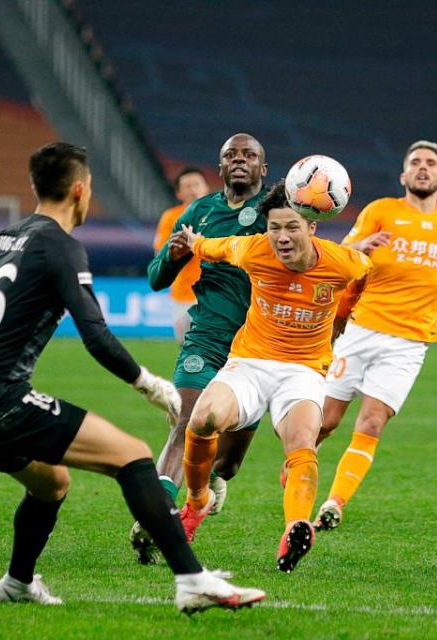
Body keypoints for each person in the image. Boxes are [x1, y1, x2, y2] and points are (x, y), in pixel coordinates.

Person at [0, 141, 264, 614]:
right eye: (90, 186)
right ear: (78, 190)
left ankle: (16, 582)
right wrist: (151, 386)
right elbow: (95, 336)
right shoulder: (62, 247)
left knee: (51, 484)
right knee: (133, 456)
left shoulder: (3, 240)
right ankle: (192, 580)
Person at [175, 180, 375, 573]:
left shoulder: (343, 263)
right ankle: (197, 500)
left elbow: (362, 277)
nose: (281, 238)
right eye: (274, 227)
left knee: (302, 441)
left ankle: (296, 528)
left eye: (291, 227)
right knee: (202, 420)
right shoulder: (253, 250)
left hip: (303, 371)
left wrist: (340, 317)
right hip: (250, 362)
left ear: (312, 227)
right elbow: (214, 247)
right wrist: (195, 241)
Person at [312, 140, 437, 532]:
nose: (422, 168)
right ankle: (302, 458)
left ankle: (334, 502)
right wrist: (362, 245)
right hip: (362, 328)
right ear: (403, 176)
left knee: (372, 422)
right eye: (415, 163)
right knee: (326, 420)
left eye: (430, 163)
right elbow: (344, 253)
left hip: (410, 341)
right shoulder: (381, 210)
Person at [130, 133, 269, 564]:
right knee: (186, 419)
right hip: (206, 335)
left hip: (257, 346)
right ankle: (159, 515)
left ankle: (206, 485)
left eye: (250, 156)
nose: (240, 160)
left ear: (263, 170)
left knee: (227, 464)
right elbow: (156, 276)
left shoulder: (275, 213)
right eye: (232, 155)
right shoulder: (199, 211)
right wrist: (172, 255)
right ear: (220, 167)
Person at [153, 166, 211, 342]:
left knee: (217, 351)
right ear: (179, 193)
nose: (193, 190)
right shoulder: (171, 218)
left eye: (197, 184)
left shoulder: (220, 215)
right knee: (188, 351)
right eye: (187, 186)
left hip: (214, 293)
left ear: (206, 188)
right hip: (183, 295)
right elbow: (160, 255)